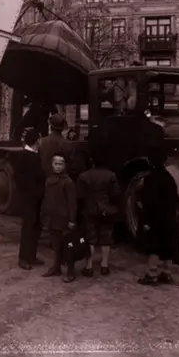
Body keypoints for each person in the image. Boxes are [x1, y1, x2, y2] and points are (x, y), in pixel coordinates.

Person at [137, 145, 179, 286]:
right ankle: (167, 273)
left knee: (153, 246)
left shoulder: (150, 178)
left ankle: (152, 274)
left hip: (155, 217)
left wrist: (146, 220)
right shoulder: (169, 177)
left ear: (150, 160)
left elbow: (149, 201)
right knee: (168, 245)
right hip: (169, 216)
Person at [77, 148, 121, 277]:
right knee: (106, 238)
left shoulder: (84, 176)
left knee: (91, 238)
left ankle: (89, 266)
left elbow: (80, 195)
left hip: (89, 209)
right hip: (106, 210)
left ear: (92, 160)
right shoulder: (111, 175)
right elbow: (116, 194)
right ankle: (104, 265)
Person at [41, 153, 77, 283]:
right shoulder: (49, 180)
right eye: (55, 164)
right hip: (52, 218)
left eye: (60, 164)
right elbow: (46, 199)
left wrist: (72, 220)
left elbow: (72, 203)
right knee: (55, 245)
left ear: (64, 165)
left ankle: (71, 271)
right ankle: (56, 267)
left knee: (68, 246)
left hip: (64, 219)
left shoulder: (68, 182)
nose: (58, 166)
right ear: (52, 164)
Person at [14, 128, 46, 270]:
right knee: (28, 227)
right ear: (36, 140)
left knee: (36, 227)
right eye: (40, 138)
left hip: (37, 197)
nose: (41, 141)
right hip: (28, 198)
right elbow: (20, 179)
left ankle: (32, 256)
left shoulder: (35, 154)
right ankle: (23, 258)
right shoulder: (23, 156)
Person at [39, 113, 72, 178]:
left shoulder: (42, 141)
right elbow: (70, 165)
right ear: (62, 128)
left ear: (50, 126)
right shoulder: (67, 144)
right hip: (61, 180)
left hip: (44, 179)